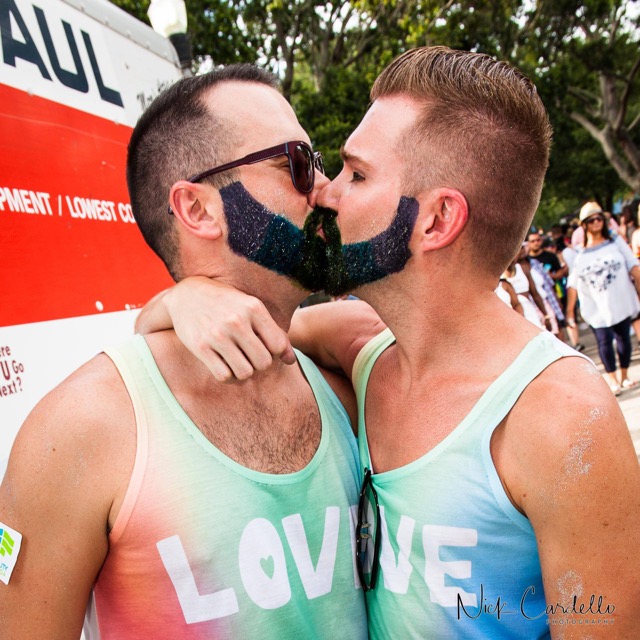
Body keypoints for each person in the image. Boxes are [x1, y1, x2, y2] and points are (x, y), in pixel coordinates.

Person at [138, 48, 640, 637]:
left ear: (436, 220)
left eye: (356, 174)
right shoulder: (363, 351)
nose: (327, 194)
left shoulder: (561, 416)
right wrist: (183, 298)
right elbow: (243, 326)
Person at [0, 65, 368, 638]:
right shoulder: (79, 431)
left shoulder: (346, 378)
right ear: (197, 209)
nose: (325, 188)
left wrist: (171, 303)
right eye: (297, 163)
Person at [566, 201, 640, 395]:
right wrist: (570, 312)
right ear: (584, 225)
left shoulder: (615, 242)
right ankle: (612, 380)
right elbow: (572, 284)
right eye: (591, 220)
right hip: (596, 307)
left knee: (623, 339)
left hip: (620, 300)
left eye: (599, 218)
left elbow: (633, 265)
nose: (596, 222)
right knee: (604, 341)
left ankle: (624, 376)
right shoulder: (579, 253)